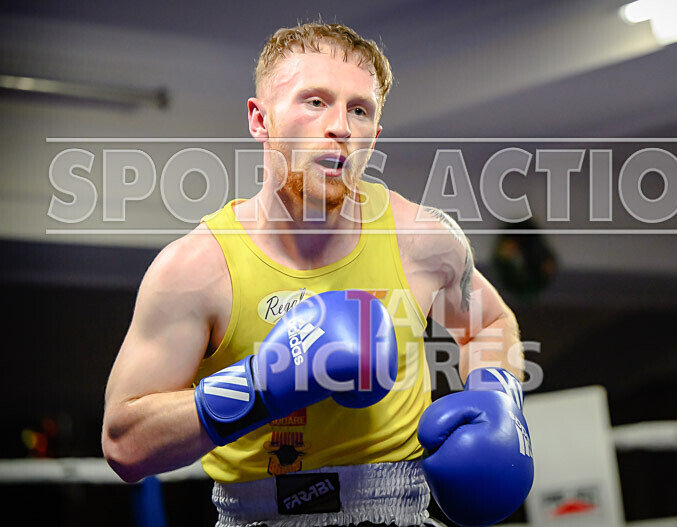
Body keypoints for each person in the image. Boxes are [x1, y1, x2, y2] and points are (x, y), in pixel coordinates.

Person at [102, 22, 532, 527]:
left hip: (399, 510)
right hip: (255, 514)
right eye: (314, 102)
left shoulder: (422, 238)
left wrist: (499, 399)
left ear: (375, 133)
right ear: (260, 120)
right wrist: (263, 384)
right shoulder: (197, 269)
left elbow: (488, 323)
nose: (340, 127)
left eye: (359, 109)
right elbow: (124, 443)